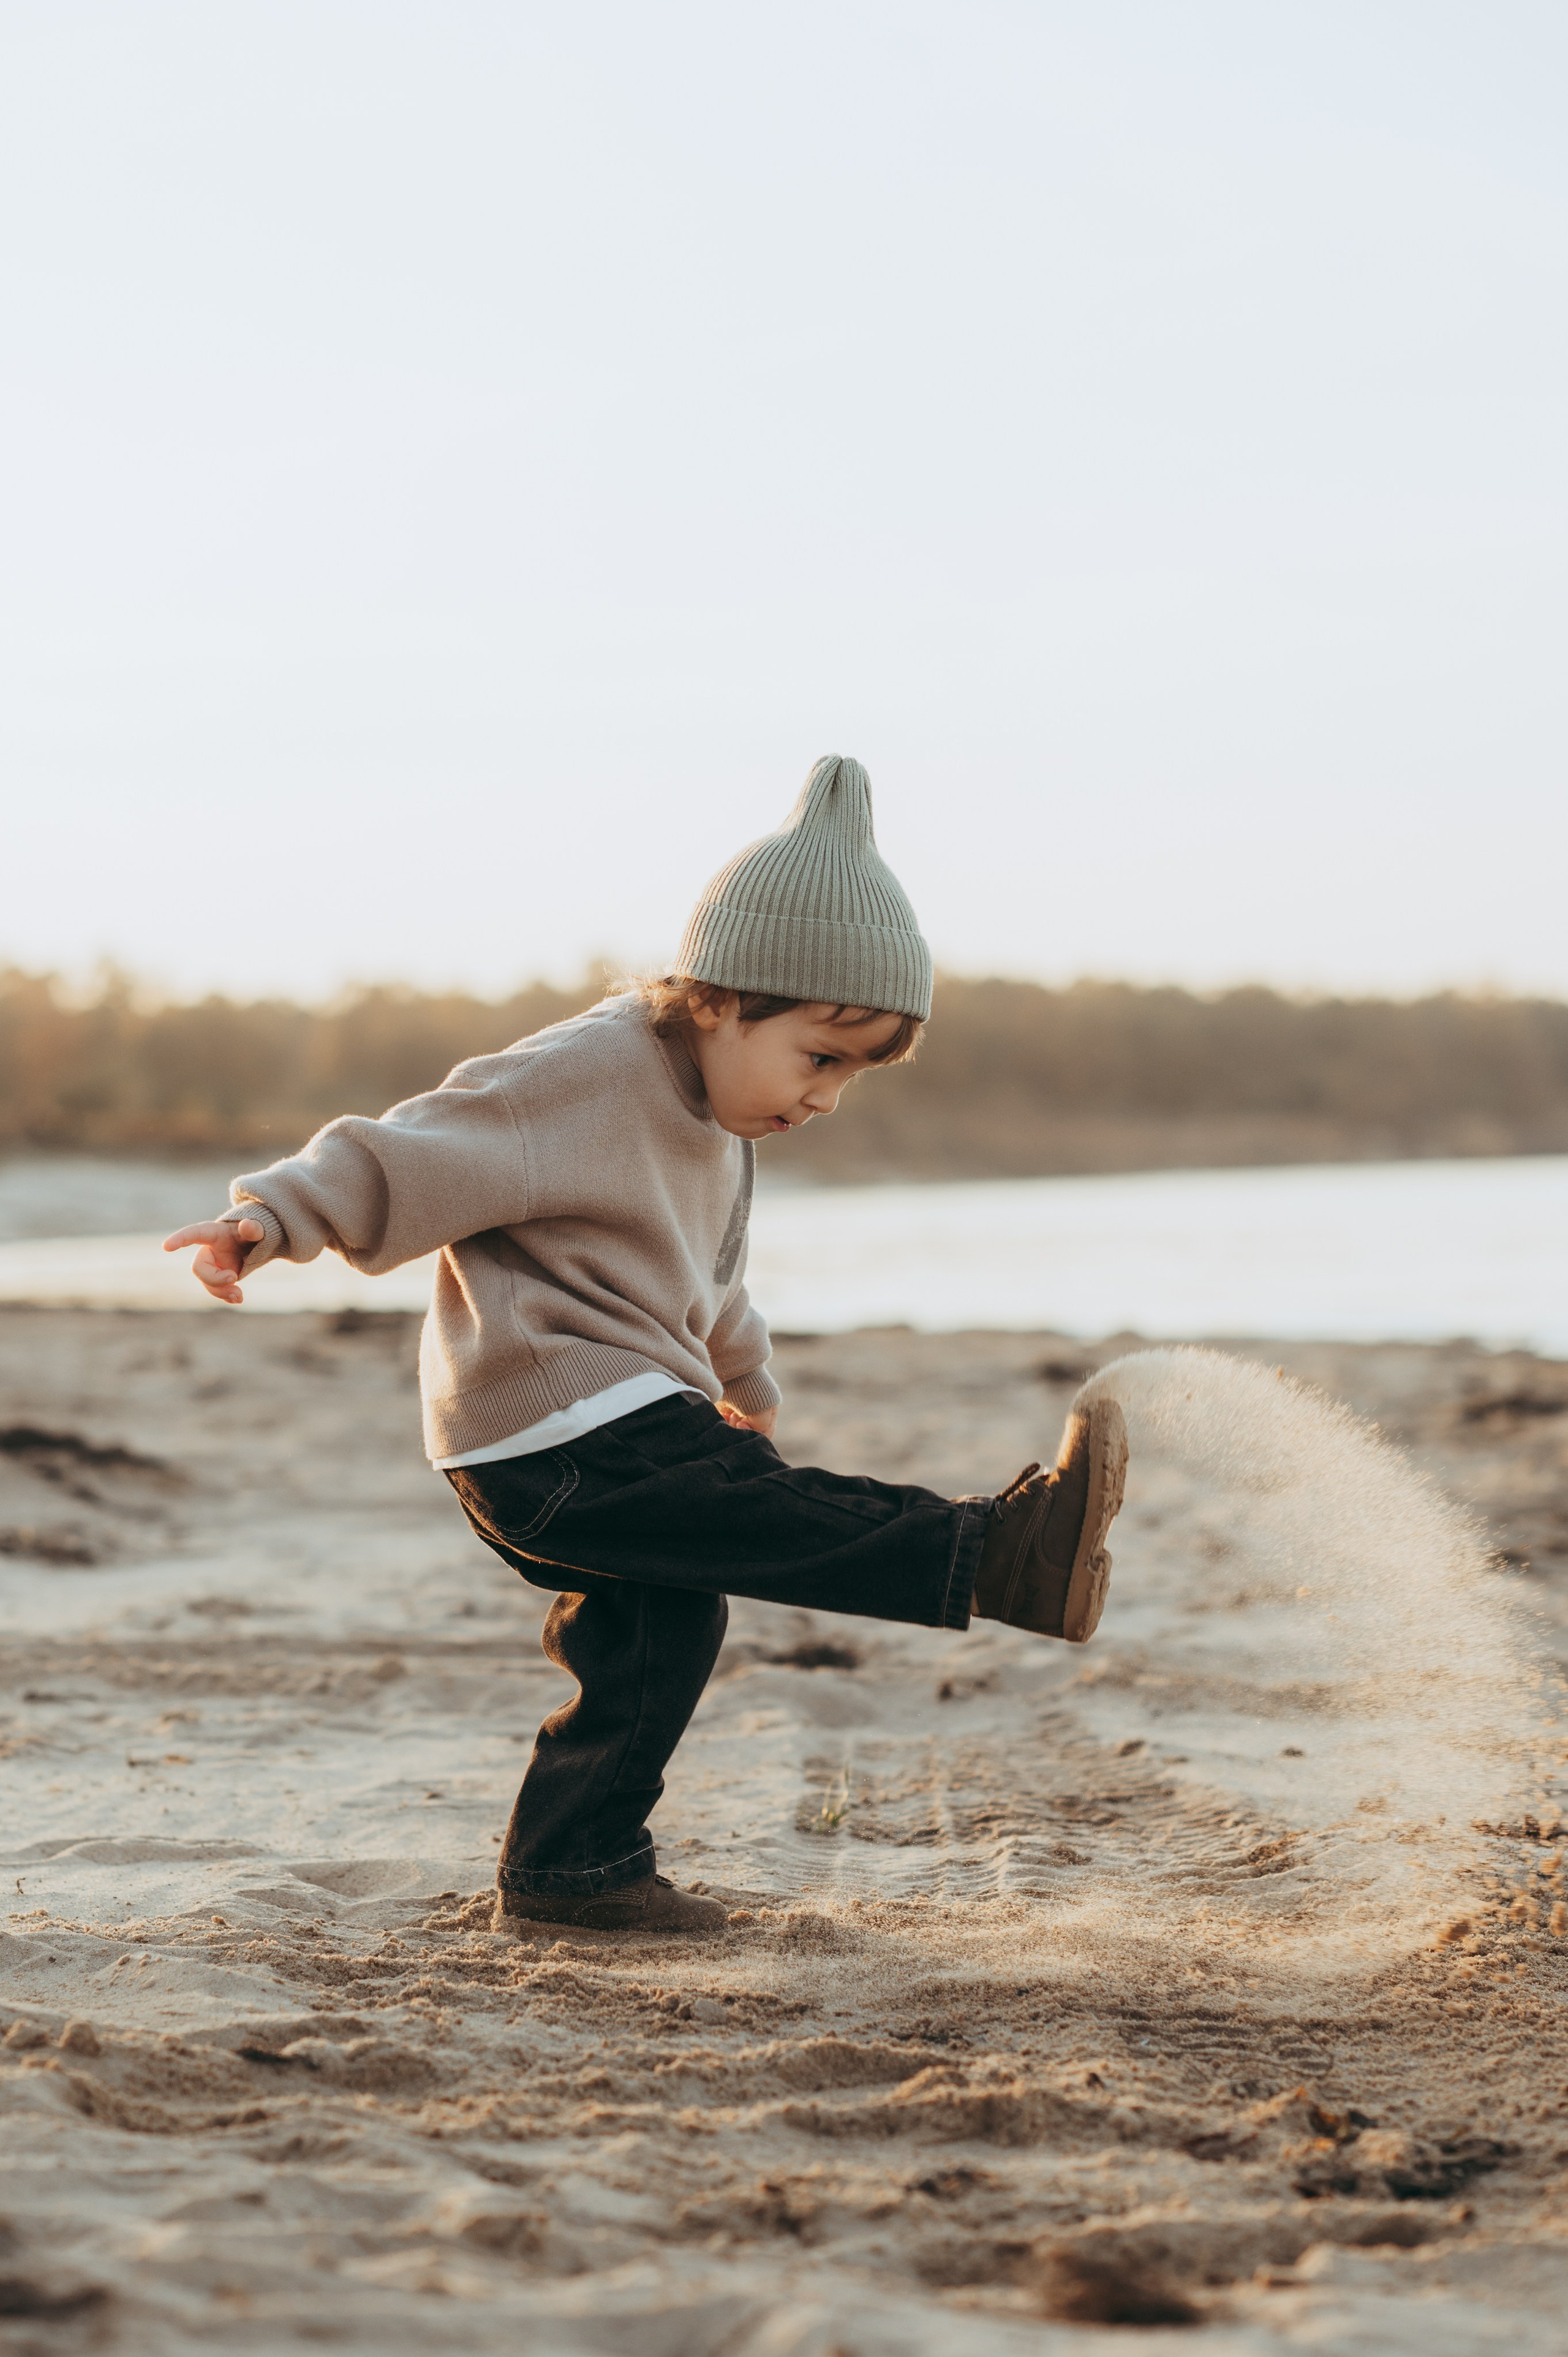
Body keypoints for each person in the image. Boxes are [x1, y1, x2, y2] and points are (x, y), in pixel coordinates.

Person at [165, 755, 1128, 1940]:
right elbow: (419, 1144)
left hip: (617, 1414)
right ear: (718, 998)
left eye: (858, 1074)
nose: (827, 1097)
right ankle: (993, 1554)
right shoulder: (591, 1069)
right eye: (820, 1057)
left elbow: (709, 1280)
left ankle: (575, 1871)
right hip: (548, 1420)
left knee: (664, 1618)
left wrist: (745, 1381)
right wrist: (272, 1217)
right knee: (753, 1516)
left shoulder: (727, 1121)